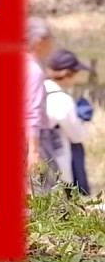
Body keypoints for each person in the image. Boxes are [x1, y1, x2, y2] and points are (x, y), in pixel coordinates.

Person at [45, 48, 92, 196]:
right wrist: (82, 118)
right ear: (67, 74)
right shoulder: (62, 100)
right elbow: (77, 135)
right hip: (59, 163)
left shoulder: (38, 91)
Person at [26, 17, 59, 191]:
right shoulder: (34, 71)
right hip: (35, 138)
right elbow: (33, 112)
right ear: (40, 41)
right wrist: (34, 150)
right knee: (47, 192)